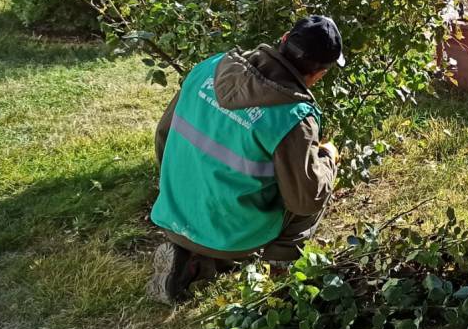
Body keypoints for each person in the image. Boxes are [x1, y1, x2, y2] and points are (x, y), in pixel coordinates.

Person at [147, 15, 345, 304]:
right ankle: (280, 271)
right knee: (313, 185)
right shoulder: (292, 117)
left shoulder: (211, 67)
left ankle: (191, 259)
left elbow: (164, 135)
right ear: (319, 74)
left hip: (174, 212)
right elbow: (304, 200)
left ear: (284, 39)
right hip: (233, 236)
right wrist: (328, 157)